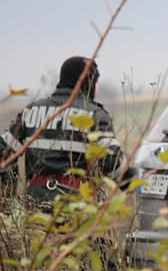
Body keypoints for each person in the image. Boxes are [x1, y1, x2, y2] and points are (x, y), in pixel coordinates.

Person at [0, 56, 125, 206]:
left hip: (34, 202)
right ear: (87, 82)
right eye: (95, 82)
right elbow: (112, 163)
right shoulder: (95, 115)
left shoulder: (31, 111)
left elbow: (4, 153)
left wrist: (8, 195)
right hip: (76, 204)